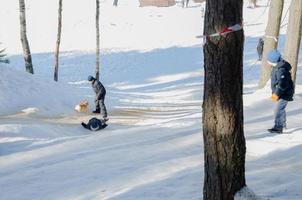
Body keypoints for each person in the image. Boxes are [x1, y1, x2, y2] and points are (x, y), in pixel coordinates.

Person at [267, 50, 294, 133]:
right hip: (281, 93)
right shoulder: (278, 67)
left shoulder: (281, 69)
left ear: (274, 61)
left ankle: (278, 127)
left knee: (278, 110)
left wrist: (276, 94)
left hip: (284, 93)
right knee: (280, 109)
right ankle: (283, 124)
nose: (268, 62)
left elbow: (282, 84)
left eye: (269, 60)